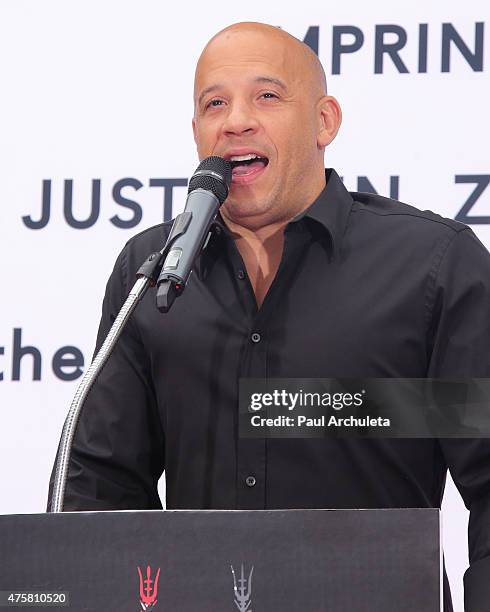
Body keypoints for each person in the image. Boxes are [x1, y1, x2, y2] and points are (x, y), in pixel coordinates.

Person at [48, 22, 490, 611]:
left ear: (324, 122)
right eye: (214, 104)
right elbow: (100, 487)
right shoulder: (149, 271)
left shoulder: (430, 266)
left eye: (267, 96)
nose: (235, 122)